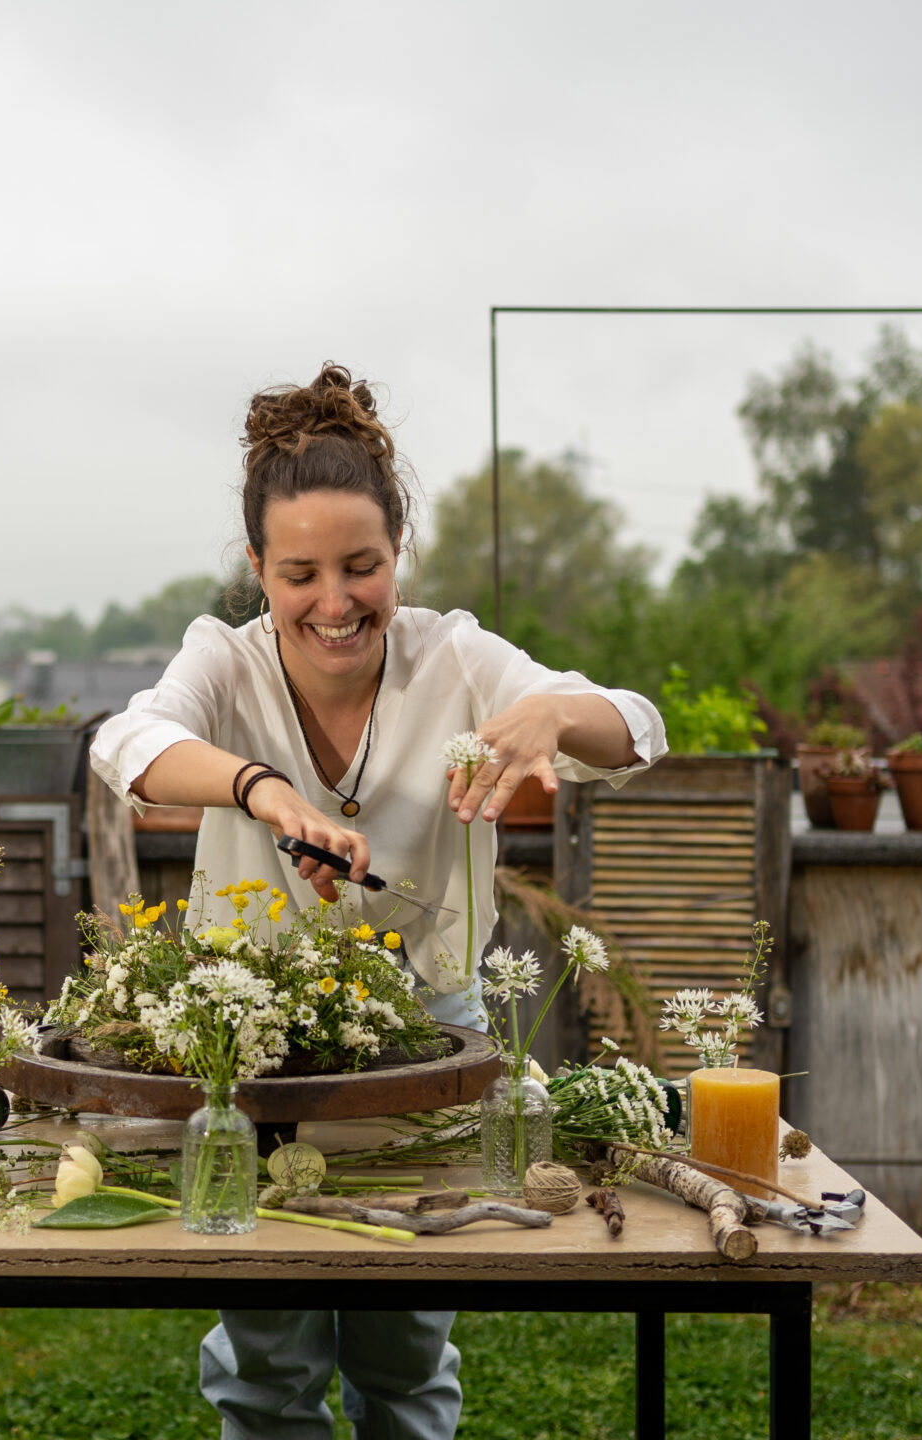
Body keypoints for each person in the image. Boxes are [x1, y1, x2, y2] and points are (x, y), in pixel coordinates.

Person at [88, 362, 664, 1440]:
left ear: (398, 555)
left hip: (432, 1037)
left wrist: (551, 714)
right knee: (268, 1357)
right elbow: (130, 744)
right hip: (253, 1043)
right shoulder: (223, 662)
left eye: (363, 567)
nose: (335, 602)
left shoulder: (453, 656)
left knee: (404, 1343)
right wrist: (261, 791)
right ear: (257, 567)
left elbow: (635, 728)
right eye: (300, 572)